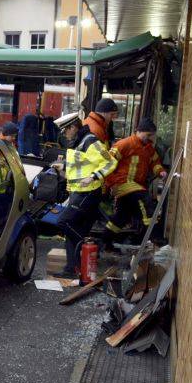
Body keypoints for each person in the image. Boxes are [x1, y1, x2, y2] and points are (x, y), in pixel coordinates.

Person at [56, 98, 119, 277]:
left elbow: (110, 162)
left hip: (88, 192)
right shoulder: (77, 141)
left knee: (64, 222)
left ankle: (90, 245)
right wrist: (64, 167)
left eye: (65, 131)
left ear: (73, 128)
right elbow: (81, 164)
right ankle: (72, 269)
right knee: (74, 228)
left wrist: (93, 176)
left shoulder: (89, 140)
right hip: (79, 192)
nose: (65, 135)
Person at [102, 118, 167, 246]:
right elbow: (107, 164)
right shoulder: (124, 144)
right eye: (148, 135)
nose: (149, 138)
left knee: (122, 216)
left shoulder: (148, 148)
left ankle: (105, 242)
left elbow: (155, 162)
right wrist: (108, 185)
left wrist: (161, 171)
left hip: (135, 186)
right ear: (139, 131)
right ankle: (155, 236)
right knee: (146, 201)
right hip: (121, 183)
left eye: (151, 136)